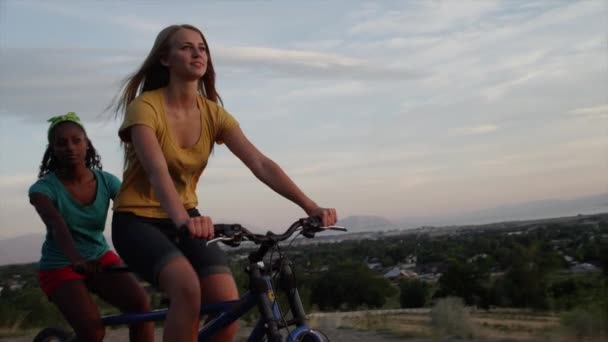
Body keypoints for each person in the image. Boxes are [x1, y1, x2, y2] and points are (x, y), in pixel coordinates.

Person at [110, 24, 338, 341]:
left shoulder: (213, 113)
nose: (197, 53)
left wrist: (311, 205)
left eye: (202, 48)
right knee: (186, 289)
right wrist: (183, 221)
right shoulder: (145, 107)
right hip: (137, 220)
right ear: (165, 59)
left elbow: (260, 163)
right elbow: (157, 172)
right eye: (186, 47)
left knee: (227, 306)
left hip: (186, 217)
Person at [28, 112, 154, 342]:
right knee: (93, 332)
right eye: (61, 143)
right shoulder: (42, 190)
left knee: (141, 307)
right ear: (52, 150)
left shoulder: (107, 181)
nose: (70, 147)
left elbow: (137, 211)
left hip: (99, 257)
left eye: (77, 140)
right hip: (61, 264)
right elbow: (57, 225)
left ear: (87, 144)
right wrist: (76, 260)